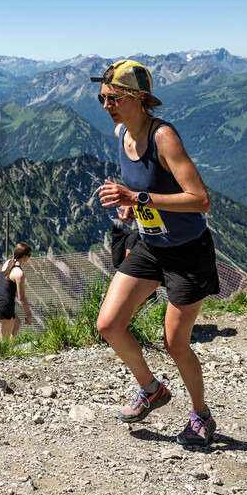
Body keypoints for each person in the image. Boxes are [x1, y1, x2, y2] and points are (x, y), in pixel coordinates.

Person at [92, 59, 221, 446]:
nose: (106, 105)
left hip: (187, 252)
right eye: (102, 98)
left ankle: (201, 415)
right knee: (108, 324)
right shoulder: (122, 133)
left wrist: (137, 197)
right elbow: (142, 193)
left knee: (175, 343)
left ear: (139, 98)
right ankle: (152, 389)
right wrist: (131, 208)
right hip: (150, 245)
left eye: (114, 98)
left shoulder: (163, 136)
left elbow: (200, 200)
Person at [0, 242, 34, 338]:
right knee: (4, 339)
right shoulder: (19, 274)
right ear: (24, 256)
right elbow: (21, 298)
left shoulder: (8, 262)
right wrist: (29, 315)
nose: (29, 257)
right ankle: (5, 348)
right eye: (29, 255)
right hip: (4, 305)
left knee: (17, 324)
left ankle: (12, 346)